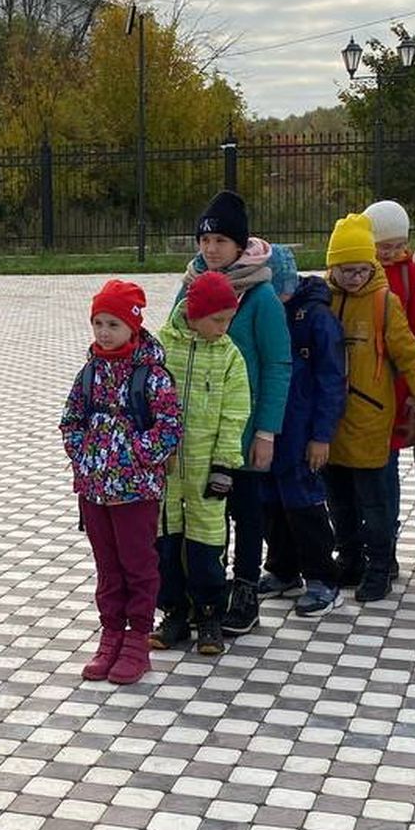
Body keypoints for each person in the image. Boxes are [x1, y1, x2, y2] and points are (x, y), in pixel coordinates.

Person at [169, 191, 290, 638]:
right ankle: (206, 593)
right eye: (205, 240)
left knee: (247, 511)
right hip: (198, 434)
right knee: (205, 512)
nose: (211, 249)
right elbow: (173, 342)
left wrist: (267, 431)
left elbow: (278, 364)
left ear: (240, 244)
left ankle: (245, 589)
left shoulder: (260, 295)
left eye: (220, 240)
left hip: (242, 428)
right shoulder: (191, 286)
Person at [61, 280, 181, 685]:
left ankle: (137, 639)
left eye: (113, 324)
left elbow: (169, 429)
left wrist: (134, 456)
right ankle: (111, 633)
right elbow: (71, 420)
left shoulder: (152, 376)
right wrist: (84, 455)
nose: (104, 332)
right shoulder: (89, 373)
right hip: (94, 490)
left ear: (133, 325)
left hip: (136, 492)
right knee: (108, 567)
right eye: (98, 323)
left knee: (138, 565)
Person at [323, 214, 415, 604]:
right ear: (332, 266)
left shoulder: (383, 302)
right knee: (339, 501)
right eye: (347, 270)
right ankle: (349, 560)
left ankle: (379, 567)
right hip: (330, 424)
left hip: (370, 420)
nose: (355, 278)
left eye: (363, 269)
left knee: (375, 503)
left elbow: (411, 356)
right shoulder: (322, 300)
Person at [150, 271, 252, 657]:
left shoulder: (229, 356)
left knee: (208, 544)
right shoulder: (161, 347)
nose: (224, 328)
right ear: (194, 314)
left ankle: (209, 613)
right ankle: (174, 612)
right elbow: (146, 400)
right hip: (167, 470)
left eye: (229, 319)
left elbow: (235, 414)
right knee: (166, 543)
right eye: (218, 319)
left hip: (208, 469)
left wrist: (224, 464)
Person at [252, 246, 347, 617]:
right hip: (269, 425)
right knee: (270, 499)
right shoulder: (265, 310)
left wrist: (322, 435)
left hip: (302, 429)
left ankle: (323, 578)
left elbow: (332, 382)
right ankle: (283, 568)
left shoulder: (317, 318)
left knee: (303, 502)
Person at [365, 199, 415, 532]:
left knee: (387, 464)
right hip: (359, 383)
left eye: (398, 245)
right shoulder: (355, 271)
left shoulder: (410, 274)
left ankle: (386, 535)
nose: (391, 253)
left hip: (395, 385)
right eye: (383, 247)